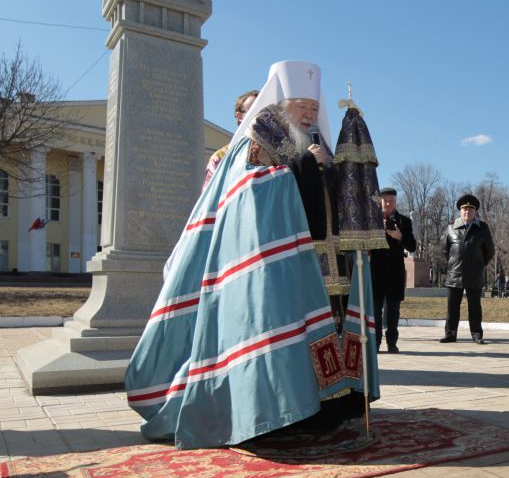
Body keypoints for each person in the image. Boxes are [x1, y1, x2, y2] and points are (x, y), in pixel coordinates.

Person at [126, 61, 368, 449]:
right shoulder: (258, 137)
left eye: (313, 107)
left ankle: (326, 408)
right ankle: (277, 415)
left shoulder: (319, 140)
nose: (308, 114)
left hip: (321, 260)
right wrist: (307, 164)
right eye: (300, 106)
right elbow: (248, 192)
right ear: (281, 104)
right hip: (269, 264)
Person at [440, 194, 495, 344]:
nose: (467, 212)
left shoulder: (482, 228)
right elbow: (445, 250)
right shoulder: (451, 227)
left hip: (474, 274)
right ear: (460, 211)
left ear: (475, 211)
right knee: (452, 307)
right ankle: (450, 334)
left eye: (470, 209)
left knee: (475, 307)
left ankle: (477, 334)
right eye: (464, 209)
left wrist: (479, 265)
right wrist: (453, 264)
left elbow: (490, 251)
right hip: (454, 274)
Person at [369, 187, 416, 353]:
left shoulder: (404, 221)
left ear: (395, 202)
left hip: (395, 272)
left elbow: (412, 246)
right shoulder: (372, 220)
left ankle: (392, 342)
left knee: (393, 310)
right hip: (376, 272)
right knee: (375, 310)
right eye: (385, 200)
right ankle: (375, 343)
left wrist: (399, 236)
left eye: (391, 200)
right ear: (380, 201)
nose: (388, 203)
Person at [202, 89, 257, 189]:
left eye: (264, 111)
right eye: (254, 110)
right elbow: (211, 195)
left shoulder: (279, 156)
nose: (260, 116)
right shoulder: (221, 158)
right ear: (239, 116)